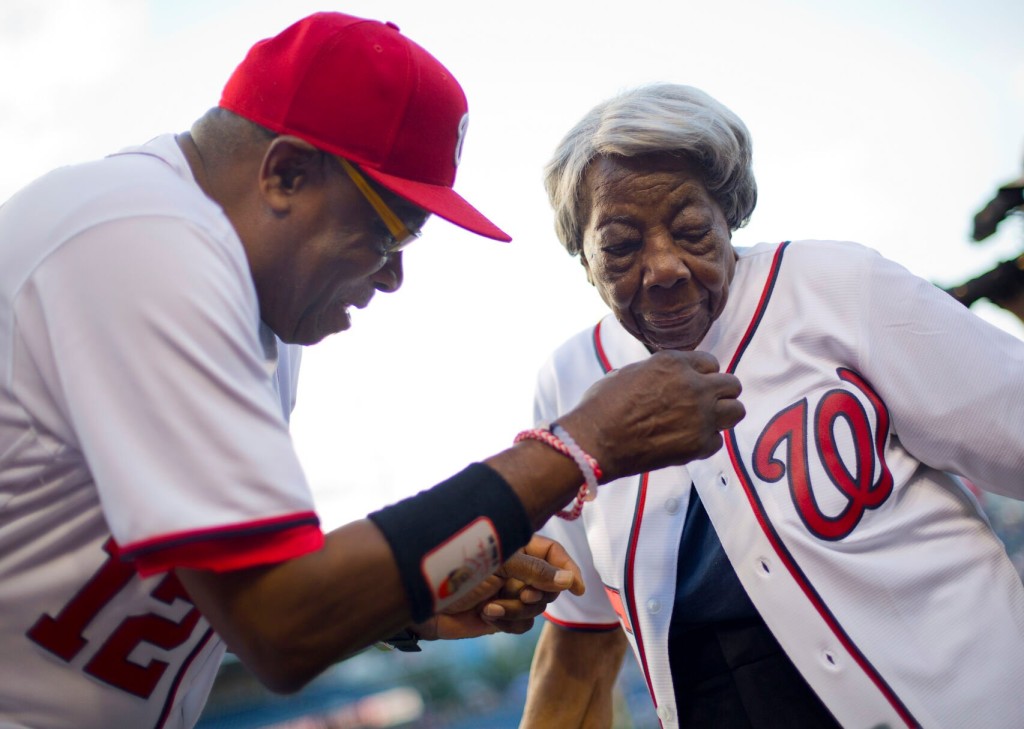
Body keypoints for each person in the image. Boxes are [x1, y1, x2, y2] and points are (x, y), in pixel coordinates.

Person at [0, 16, 746, 729]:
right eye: (389, 234)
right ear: (286, 172)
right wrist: (580, 445)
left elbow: (220, 581)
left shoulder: (245, 293)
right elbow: (280, 621)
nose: (392, 280)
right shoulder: (143, 244)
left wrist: (408, 597)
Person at [519, 83, 1024, 729]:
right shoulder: (568, 381)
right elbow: (579, 638)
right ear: (581, 257)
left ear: (729, 213)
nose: (665, 265)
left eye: (691, 228)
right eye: (620, 245)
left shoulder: (836, 286)